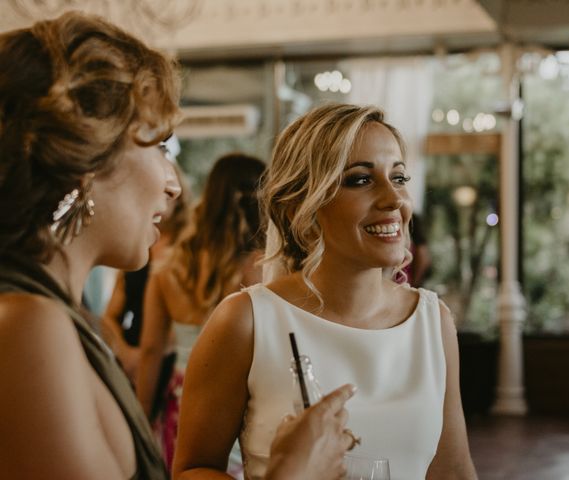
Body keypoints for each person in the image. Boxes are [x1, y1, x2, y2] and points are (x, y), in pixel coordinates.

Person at [0, 13, 356, 480]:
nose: (173, 184)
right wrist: (293, 472)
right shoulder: (29, 326)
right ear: (87, 157)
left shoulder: (58, 315)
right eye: (160, 148)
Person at [174, 103, 478, 480]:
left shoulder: (434, 322)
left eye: (398, 178)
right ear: (300, 205)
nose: (394, 200)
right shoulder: (246, 321)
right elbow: (192, 470)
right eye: (360, 180)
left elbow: (452, 470)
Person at [136, 152, 267, 470]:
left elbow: (151, 349)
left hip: (182, 401)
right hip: (244, 400)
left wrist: (139, 418)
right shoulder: (265, 269)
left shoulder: (171, 265)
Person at [101, 160, 190, 384]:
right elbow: (110, 316)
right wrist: (126, 353)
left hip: (171, 360)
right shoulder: (136, 251)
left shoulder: (188, 249)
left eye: (169, 195)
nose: (164, 198)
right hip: (132, 353)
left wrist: (152, 353)